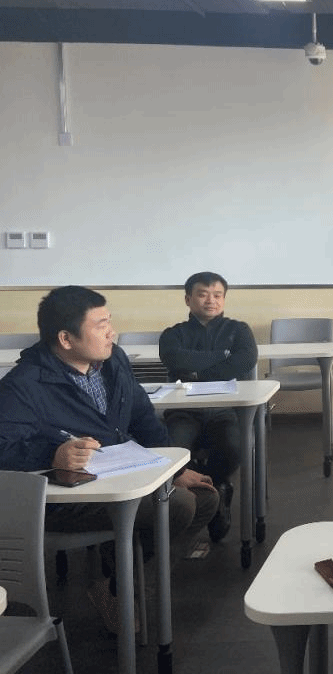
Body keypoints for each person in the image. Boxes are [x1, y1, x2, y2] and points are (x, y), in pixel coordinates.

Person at [0, 286, 218, 633]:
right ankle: (123, 587)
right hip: (69, 499)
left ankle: (121, 587)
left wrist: (174, 470)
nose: (111, 333)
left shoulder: (113, 360)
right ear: (66, 339)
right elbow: (4, 449)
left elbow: (142, 415)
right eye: (101, 325)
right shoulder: (24, 384)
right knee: (178, 506)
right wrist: (52, 454)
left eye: (110, 322)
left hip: (124, 474)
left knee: (205, 498)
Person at [158, 271, 258, 541]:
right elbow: (175, 359)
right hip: (184, 411)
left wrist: (196, 373)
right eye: (203, 294)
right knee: (171, 451)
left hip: (225, 411)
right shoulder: (173, 334)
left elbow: (245, 361)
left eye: (217, 295)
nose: (211, 300)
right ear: (188, 299)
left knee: (236, 446)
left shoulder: (239, 330)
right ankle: (198, 489)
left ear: (224, 299)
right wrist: (222, 357)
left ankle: (216, 488)